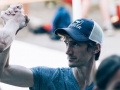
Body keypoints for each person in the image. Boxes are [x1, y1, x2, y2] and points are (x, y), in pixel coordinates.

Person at [0, 4, 103, 90]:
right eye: (67, 43)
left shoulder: (109, 84)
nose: (68, 51)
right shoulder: (51, 78)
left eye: (75, 44)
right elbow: (3, 73)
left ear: (96, 48)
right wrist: (11, 28)